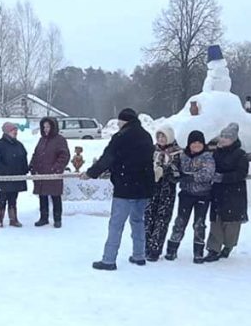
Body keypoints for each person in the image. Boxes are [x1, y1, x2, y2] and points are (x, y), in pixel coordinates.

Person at [84, 108, 154, 270]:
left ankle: (109, 260)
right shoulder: (146, 136)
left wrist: (91, 173)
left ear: (124, 121)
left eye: (119, 122)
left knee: (116, 224)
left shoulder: (121, 137)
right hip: (144, 187)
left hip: (125, 187)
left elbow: (108, 158)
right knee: (138, 221)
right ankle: (139, 255)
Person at [165, 130, 215, 263]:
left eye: (199, 143)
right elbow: (176, 170)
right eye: (194, 143)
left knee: (199, 224)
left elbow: (208, 174)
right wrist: (175, 175)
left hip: (203, 195)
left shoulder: (207, 156)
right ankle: (172, 249)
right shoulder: (183, 156)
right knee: (180, 222)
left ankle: (198, 252)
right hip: (186, 195)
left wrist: (190, 176)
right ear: (189, 144)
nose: (197, 145)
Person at [204, 123, 249, 262]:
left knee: (231, 222)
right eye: (222, 136)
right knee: (216, 220)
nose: (223, 139)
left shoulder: (240, 154)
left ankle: (228, 246)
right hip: (218, 191)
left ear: (234, 139)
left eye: (227, 137)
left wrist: (223, 177)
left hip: (234, 192)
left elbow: (241, 173)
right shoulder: (216, 152)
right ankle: (213, 249)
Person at [144, 125, 181, 262]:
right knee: (148, 218)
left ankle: (155, 249)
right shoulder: (153, 151)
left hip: (167, 191)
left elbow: (178, 174)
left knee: (161, 219)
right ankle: (145, 246)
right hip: (152, 189)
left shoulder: (176, 153)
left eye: (163, 136)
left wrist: (165, 171)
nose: (160, 139)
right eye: (159, 136)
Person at [29, 117, 69, 228]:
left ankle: (57, 219)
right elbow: (36, 154)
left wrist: (56, 168)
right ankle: (43, 218)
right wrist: (32, 165)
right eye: (44, 127)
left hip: (53, 174)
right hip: (41, 174)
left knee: (55, 197)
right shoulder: (42, 140)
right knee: (42, 196)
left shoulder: (60, 140)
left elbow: (64, 156)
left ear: (53, 127)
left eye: (48, 126)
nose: (46, 129)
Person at [0, 121, 29, 228]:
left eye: (16, 130)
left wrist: (25, 169)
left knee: (13, 198)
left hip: (16, 177)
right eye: (13, 130)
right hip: (4, 177)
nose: (16, 132)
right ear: (7, 132)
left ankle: (13, 219)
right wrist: (5, 171)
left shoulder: (19, 145)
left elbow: (24, 158)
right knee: (2, 198)